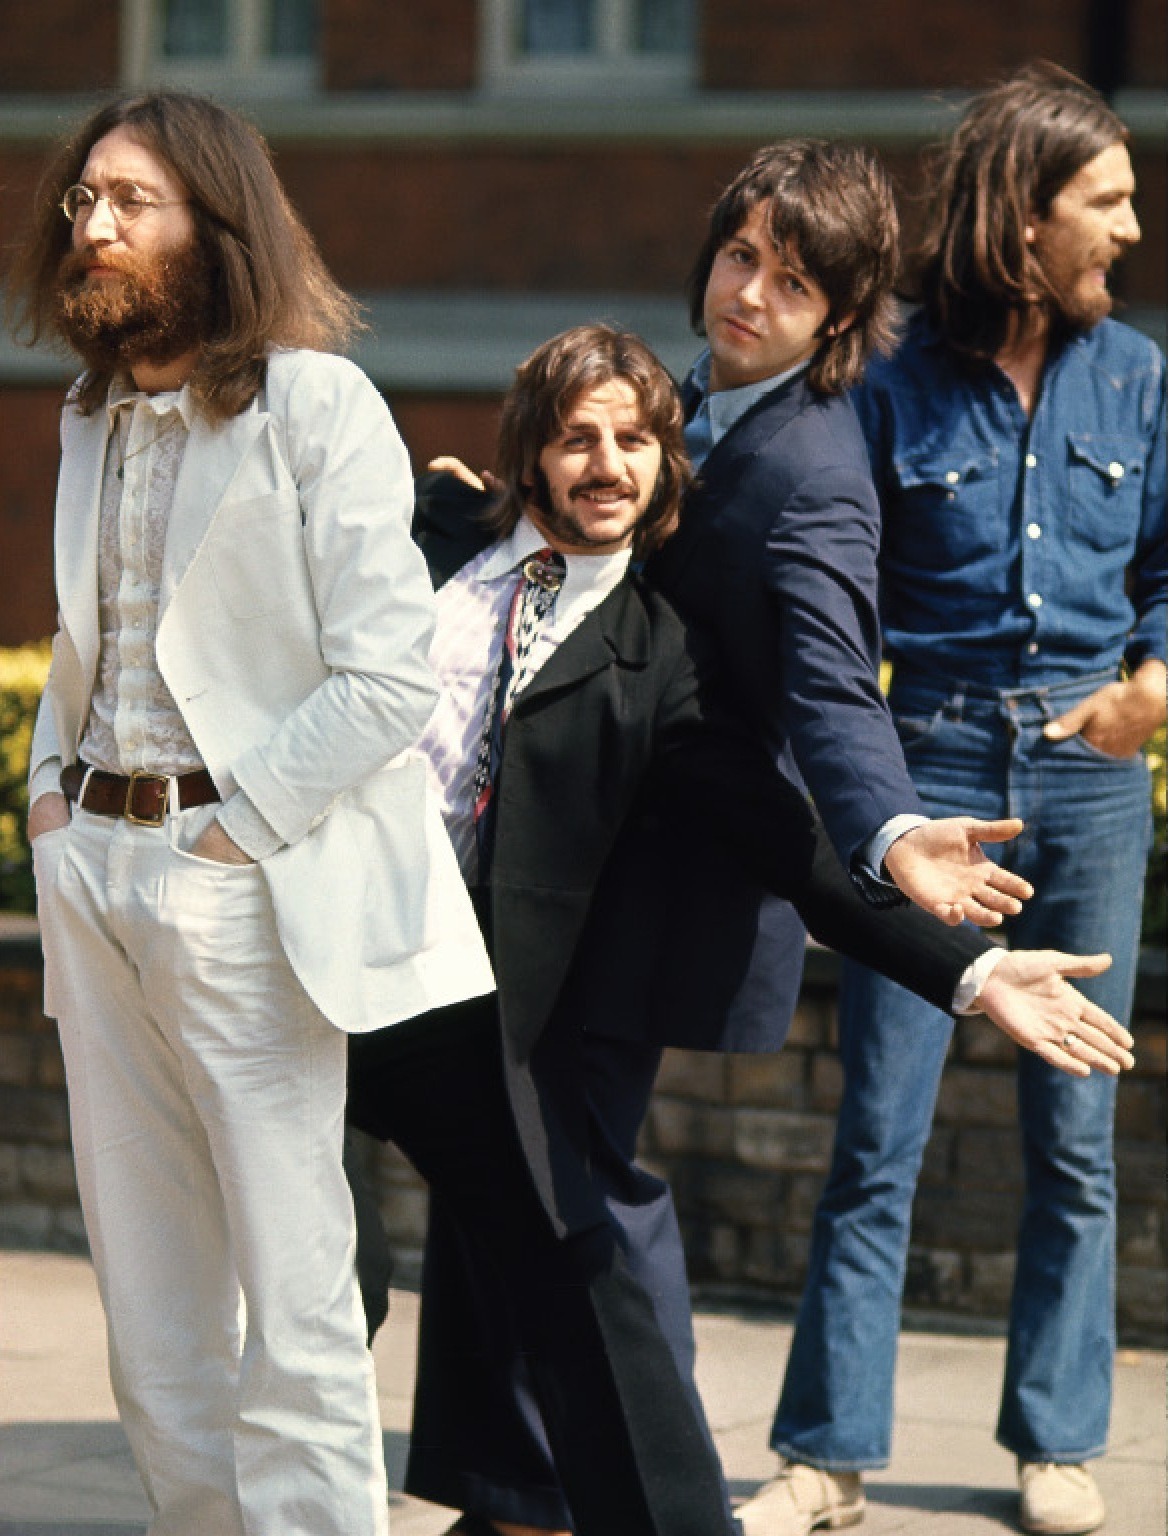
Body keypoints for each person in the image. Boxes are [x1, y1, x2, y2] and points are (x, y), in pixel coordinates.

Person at [355, 322, 1136, 1536]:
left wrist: (972, 968)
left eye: (633, 441)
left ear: (669, 467)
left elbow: (796, 848)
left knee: (576, 1262)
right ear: (528, 453)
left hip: (472, 1002)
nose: (605, 463)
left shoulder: (663, 660)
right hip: (312, 963)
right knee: (325, 1268)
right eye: (575, 438)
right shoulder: (426, 538)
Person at [12, 91, 494, 1536]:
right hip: (92, 868)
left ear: (214, 224)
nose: (90, 225)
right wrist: (50, 800)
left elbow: (390, 667)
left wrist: (237, 829)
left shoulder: (317, 402)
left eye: (129, 202)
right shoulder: (90, 414)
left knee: (293, 1291)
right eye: (82, 199)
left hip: (237, 877)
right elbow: (89, 640)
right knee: (149, 1292)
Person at [750, 64, 1166, 1536]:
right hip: (927, 777)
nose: (1129, 226)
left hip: (1092, 782)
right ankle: (826, 1454)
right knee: (881, 1127)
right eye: (1104, 201)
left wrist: (1157, 681)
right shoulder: (888, 377)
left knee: (1076, 1127)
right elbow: (828, 588)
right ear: (1024, 213)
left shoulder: (1143, 376)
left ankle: (1058, 1442)